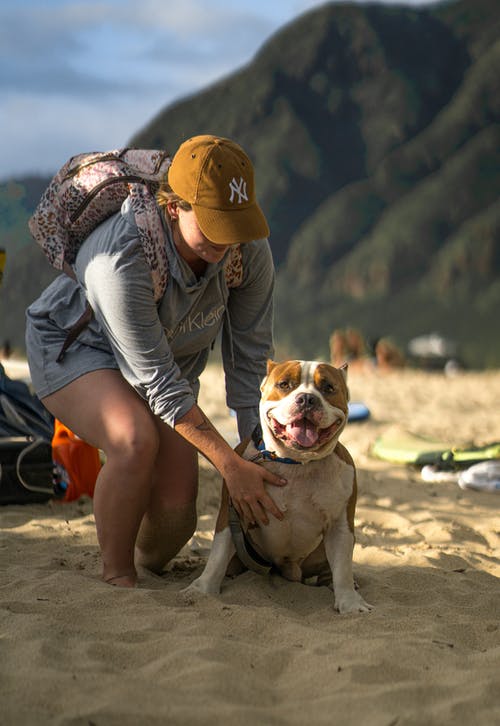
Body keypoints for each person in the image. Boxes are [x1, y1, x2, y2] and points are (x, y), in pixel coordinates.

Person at [25, 134, 286, 588]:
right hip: (75, 349)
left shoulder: (247, 250)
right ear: (173, 207)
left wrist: (257, 458)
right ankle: (117, 576)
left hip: (165, 372)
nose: (227, 237)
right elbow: (159, 385)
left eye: (235, 220)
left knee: (172, 526)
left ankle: (137, 554)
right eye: (212, 222)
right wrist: (229, 466)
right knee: (134, 440)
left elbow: (249, 367)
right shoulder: (120, 258)